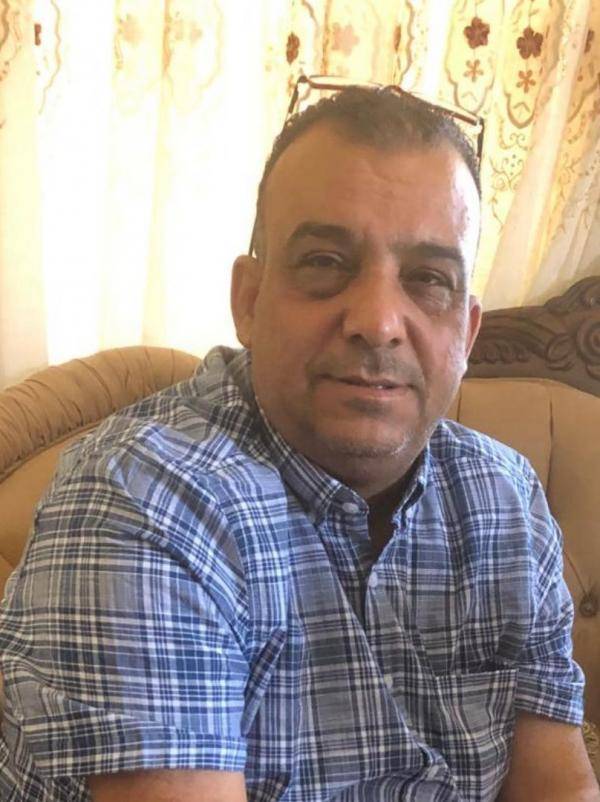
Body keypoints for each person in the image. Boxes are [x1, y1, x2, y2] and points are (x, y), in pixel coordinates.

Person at [0, 84, 597, 802]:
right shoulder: (141, 503)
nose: (378, 321)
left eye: (428, 279)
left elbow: (556, 783)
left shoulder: (504, 497)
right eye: (324, 263)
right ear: (249, 300)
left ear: (466, 333)